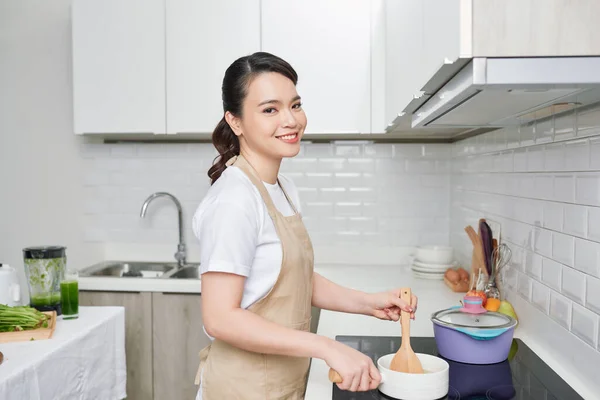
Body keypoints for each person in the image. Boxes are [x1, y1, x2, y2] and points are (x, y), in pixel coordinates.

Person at [192, 52, 418, 400]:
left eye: (295, 105)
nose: (291, 120)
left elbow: (291, 280)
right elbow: (219, 318)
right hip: (243, 388)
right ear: (235, 121)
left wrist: (368, 302)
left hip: (282, 380)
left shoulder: (283, 188)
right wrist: (326, 346)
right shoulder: (235, 199)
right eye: (270, 109)